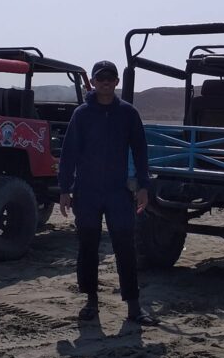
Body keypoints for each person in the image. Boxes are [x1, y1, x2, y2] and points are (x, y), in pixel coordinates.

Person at [59, 60, 159, 326]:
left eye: (110, 78)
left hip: (117, 191)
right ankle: (91, 301)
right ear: (92, 82)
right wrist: (64, 189)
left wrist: (143, 187)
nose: (105, 82)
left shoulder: (128, 113)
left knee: (125, 246)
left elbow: (140, 151)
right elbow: (69, 153)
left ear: (116, 82)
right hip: (88, 192)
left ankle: (134, 307)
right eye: (100, 78)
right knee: (88, 246)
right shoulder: (82, 114)